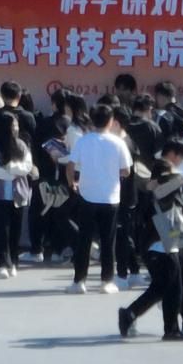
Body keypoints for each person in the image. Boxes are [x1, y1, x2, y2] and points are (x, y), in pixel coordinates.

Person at [121, 139, 183, 340]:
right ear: (172, 154)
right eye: (180, 158)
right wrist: (181, 182)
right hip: (161, 239)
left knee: (169, 285)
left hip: (163, 238)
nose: (179, 163)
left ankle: (174, 324)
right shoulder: (163, 169)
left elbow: (170, 203)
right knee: (171, 286)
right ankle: (165, 326)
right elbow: (165, 199)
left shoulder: (157, 171)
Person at [68, 105, 132, 294]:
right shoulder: (118, 142)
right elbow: (126, 170)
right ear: (111, 121)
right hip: (110, 197)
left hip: (87, 195)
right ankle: (107, 281)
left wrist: (72, 183)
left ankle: (79, 281)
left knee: (84, 240)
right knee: (108, 240)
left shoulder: (83, 140)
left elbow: (70, 165)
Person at [0, 120, 34, 279]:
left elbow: (28, 166)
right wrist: (12, 173)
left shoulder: (21, 145)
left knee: (15, 231)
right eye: (13, 126)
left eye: (17, 126)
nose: (16, 129)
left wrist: (11, 168)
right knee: (0, 231)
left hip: (18, 195)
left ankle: (13, 262)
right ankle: (1, 264)